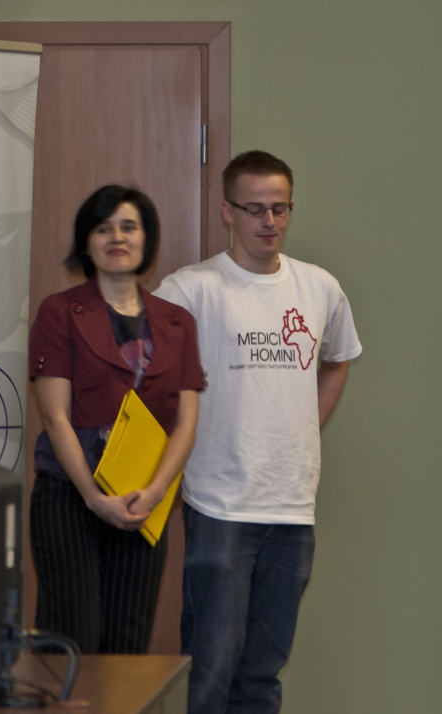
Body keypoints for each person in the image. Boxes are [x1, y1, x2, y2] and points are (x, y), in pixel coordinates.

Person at [155, 151, 362, 713]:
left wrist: (306, 424)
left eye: (280, 208)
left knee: (263, 676)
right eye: (254, 209)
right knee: (211, 669)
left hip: (292, 506)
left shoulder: (320, 288)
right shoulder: (190, 290)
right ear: (227, 211)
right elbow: (148, 380)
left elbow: (337, 360)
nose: (269, 221)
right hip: (219, 504)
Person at [28, 185, 205, 654]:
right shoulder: (59, 312)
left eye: (129, 227)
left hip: (141, 500)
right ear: (87, 242)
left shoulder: (177, 322)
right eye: (103, 228)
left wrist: (157, 491)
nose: (117, 238)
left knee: (127, 646)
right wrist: (92, 497)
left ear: (147, 239)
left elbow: (186, 424)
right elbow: (55, 416)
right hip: (70, 495)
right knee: (71, 644)